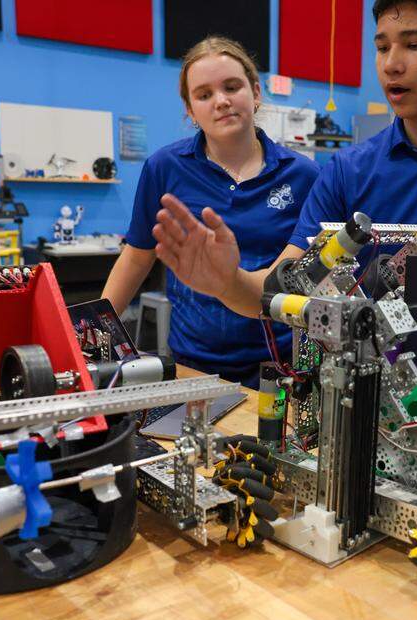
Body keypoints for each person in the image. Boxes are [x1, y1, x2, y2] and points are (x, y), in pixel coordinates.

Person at [149, 0, 417, 349]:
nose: (390, 64)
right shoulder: (348, 170)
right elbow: (283, 289)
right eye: (382, 47)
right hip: (368, 411)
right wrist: (229, 283)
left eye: (413, 45)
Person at [102, 37, 319, 389]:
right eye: (203, 95)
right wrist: (91, 335)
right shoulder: (165, 168)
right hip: (195, 362)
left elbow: (303, 273)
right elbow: (137, 258)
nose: (221, 101)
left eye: (232, 87)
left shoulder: (303, 174)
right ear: (190, 110)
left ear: (256, 92)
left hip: (282, 361)